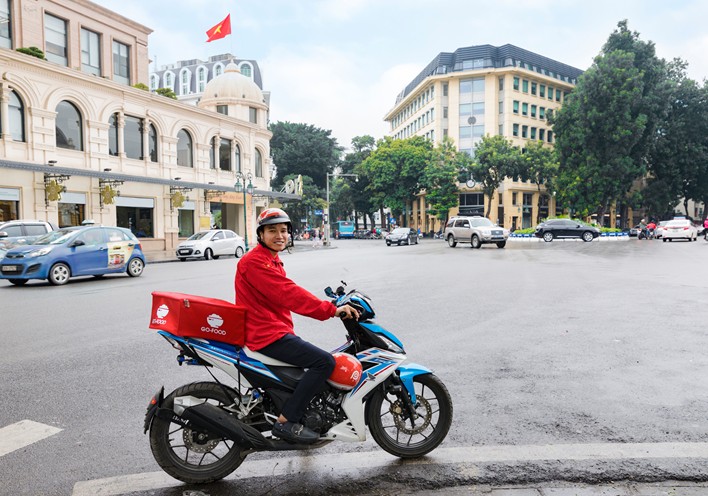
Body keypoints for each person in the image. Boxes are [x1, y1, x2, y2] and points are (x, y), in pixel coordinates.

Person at [234, 208, 360, 444]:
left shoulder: (270, 259)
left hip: (272, 330)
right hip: (266, 334)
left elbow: (286, 292)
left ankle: (299, 411)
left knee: (312, 362)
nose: (279, 235)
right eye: (272, 231)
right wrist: (330, 310)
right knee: (324, 362)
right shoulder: (255, 262)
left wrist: (332, 303)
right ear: (261, 234)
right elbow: (289, 294)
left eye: (283, 230)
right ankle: (287, 421)